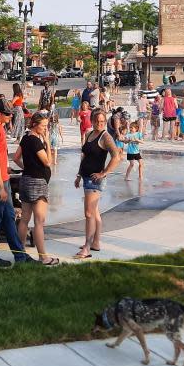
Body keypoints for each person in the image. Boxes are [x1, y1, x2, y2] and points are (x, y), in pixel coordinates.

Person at [0, 99, 34, 267]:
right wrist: (1, 187)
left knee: (9, 217)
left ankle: (20, 256)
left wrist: (6, 168)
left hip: (0, 178)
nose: (11, 116)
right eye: (8, 114)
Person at [74, 109, 123, 259]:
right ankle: (95, 243)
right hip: (86, 177)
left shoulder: (105, 136)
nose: (100, 124)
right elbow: (85, 157)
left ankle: (87, 248)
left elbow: (116, 157)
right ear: (92, 120)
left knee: (88, 214)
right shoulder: (89, 134)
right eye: (97, 121)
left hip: (95, 180)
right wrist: (79, 175)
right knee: (94, 213)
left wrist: (104, 173)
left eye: (102, 122)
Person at [13, 113, 59, 266]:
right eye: (43, 125)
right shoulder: (35, 141)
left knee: (24, 219)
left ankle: (20, 254)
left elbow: (15, 158)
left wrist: (27, 168)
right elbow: (47, 162)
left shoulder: (25, 138)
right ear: (34, 124)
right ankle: (43, 257)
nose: (45, 128)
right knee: (39, 221)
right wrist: (46, 142)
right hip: (38, 184)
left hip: (26, 180)